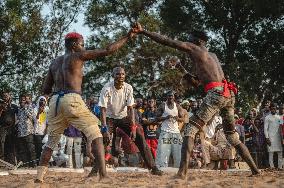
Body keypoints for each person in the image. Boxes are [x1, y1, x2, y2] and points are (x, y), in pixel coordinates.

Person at [132, 23, 259, 178]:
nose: (187, 44)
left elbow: (168, 42)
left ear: (198, 41)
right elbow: (197, 83)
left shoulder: (196, 50)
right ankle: (255, 170)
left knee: (190, 130)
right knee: (232, 135)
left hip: (217, 94)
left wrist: (144, 31)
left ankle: (182, 173)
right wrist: (181, 69)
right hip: (228, 95)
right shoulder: (212, 56)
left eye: (190, 41)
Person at [35, 29, 136, 183]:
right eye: (82, 44)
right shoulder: (78, 55)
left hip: (55, 102)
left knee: (50, 142)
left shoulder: (54, 62)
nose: (84, 47)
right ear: (74, 45)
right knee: (97, 133)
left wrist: (43, 103)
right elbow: (108, 50)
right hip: (72, 99)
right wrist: (127, 37)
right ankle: (103, 175)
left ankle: (39, 177)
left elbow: (45, 90)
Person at [98, 67, 162, 175]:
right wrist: (104, 129)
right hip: (109, 118)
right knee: (102, 140)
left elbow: (131, 108)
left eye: (123, 74)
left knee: (140, 137)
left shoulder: (128, 88)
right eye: (118, 74)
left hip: (124, 117)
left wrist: (133, 127)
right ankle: (98, 168)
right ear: (113, 76)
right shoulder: (106, 88)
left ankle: (152, 167)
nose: (121, 76)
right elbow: (103, 109)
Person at [155, 91, 184, 168]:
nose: (170, 97)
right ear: (167, 97)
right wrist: (165, 117)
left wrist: (178, 118)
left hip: (176, 132)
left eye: (172, 96)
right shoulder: (162, 106)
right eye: (169, 96)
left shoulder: (177, 106)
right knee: (163, 151)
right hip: (165, 132)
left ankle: (178, 168)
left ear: (174, 97)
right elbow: (156, 118)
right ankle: (161, 168)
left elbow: (183, 119)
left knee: (178, 152)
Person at [264, 104, 283, 170]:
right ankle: (272, 167)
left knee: (280, 152)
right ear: (270, 109)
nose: (273, 110)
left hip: (278, 137)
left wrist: (282, 138)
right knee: (271, 152)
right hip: (270, 137)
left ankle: (280, 167)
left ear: (276, 109)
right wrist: (267, 138)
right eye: (272, 109)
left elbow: (281, 128)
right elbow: (265, 129)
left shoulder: (279, 117)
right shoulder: (267, 117)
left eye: (274, 108)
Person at [33, 96, 49, 163]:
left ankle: (44, 162)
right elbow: (35, 120)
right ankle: (38, 162)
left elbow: (48, 122)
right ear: (38, 101)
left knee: (45, 148)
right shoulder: (35, 109)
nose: (42, 102)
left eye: (44, 101)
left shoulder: (47, 109)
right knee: (39, 148)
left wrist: (46, 131)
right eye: (41, 100)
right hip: (37, 131)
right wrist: (39, 112)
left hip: (45, 132)